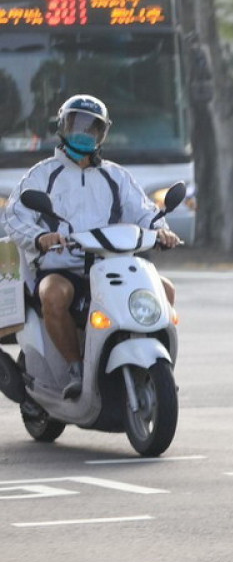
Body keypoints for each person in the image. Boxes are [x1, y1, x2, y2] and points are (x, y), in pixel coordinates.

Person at [2, 94, 181, 398]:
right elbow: (15, 218)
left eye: (92, 128)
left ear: (102, 133)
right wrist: (39, 237)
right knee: (53, 295)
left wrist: (162, 230)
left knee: (165, 290)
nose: (84, 134)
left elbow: (144, 212)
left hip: (111, 266)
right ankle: (74, 369)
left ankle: (153, 369)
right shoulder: (42, 175)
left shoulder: (116, 176)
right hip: (61, 268)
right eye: (77, 125)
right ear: (62, 127)